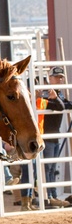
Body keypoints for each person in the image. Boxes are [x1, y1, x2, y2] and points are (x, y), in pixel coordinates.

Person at [39, 65, 72, 208]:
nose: (59, 80)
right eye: (57, 77)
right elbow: (61, 106)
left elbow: (65, 104)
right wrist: (58, 101)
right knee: (48, 168)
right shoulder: (46, 93)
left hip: (54, 135)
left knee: (51, 167)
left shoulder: (58, 94)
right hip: (46, 136)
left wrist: (59, 100)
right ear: (50, 78)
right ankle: (49, 197)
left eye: (61, 78)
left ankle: (53, 196)